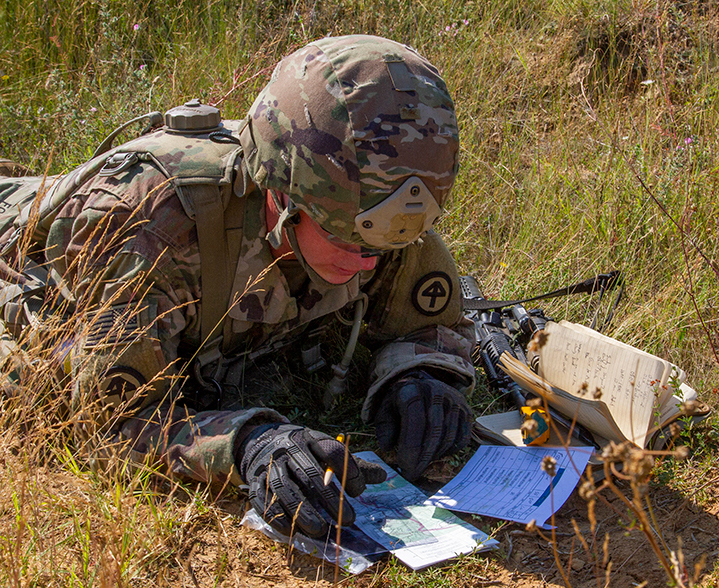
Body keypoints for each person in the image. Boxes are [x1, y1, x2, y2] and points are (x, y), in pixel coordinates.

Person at [0, 35, 475, 539]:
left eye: (387, 242)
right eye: (347, 237)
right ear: (283, 193)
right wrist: (247, 443)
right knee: (34, 382)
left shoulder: (369, 208)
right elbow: (106, 421)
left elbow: (432, 322)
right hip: (17, 248)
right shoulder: (154, 229)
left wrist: (420, 376)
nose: (368, 261)